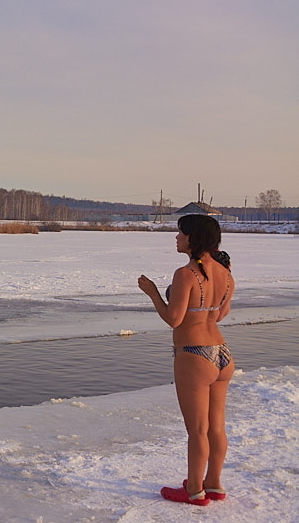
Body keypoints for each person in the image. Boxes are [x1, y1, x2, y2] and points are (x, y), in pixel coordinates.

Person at [138, 214, 235, 506]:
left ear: (193, 238)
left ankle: (194, 490)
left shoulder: (186, 274)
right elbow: (220, 314)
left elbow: (174, 318)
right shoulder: (226, 273)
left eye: (180, 232)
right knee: (216, 427)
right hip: (222, 353)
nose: (177, 237)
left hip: (194, 354)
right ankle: (214, 484)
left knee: (197, 430)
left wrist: (153, 293)